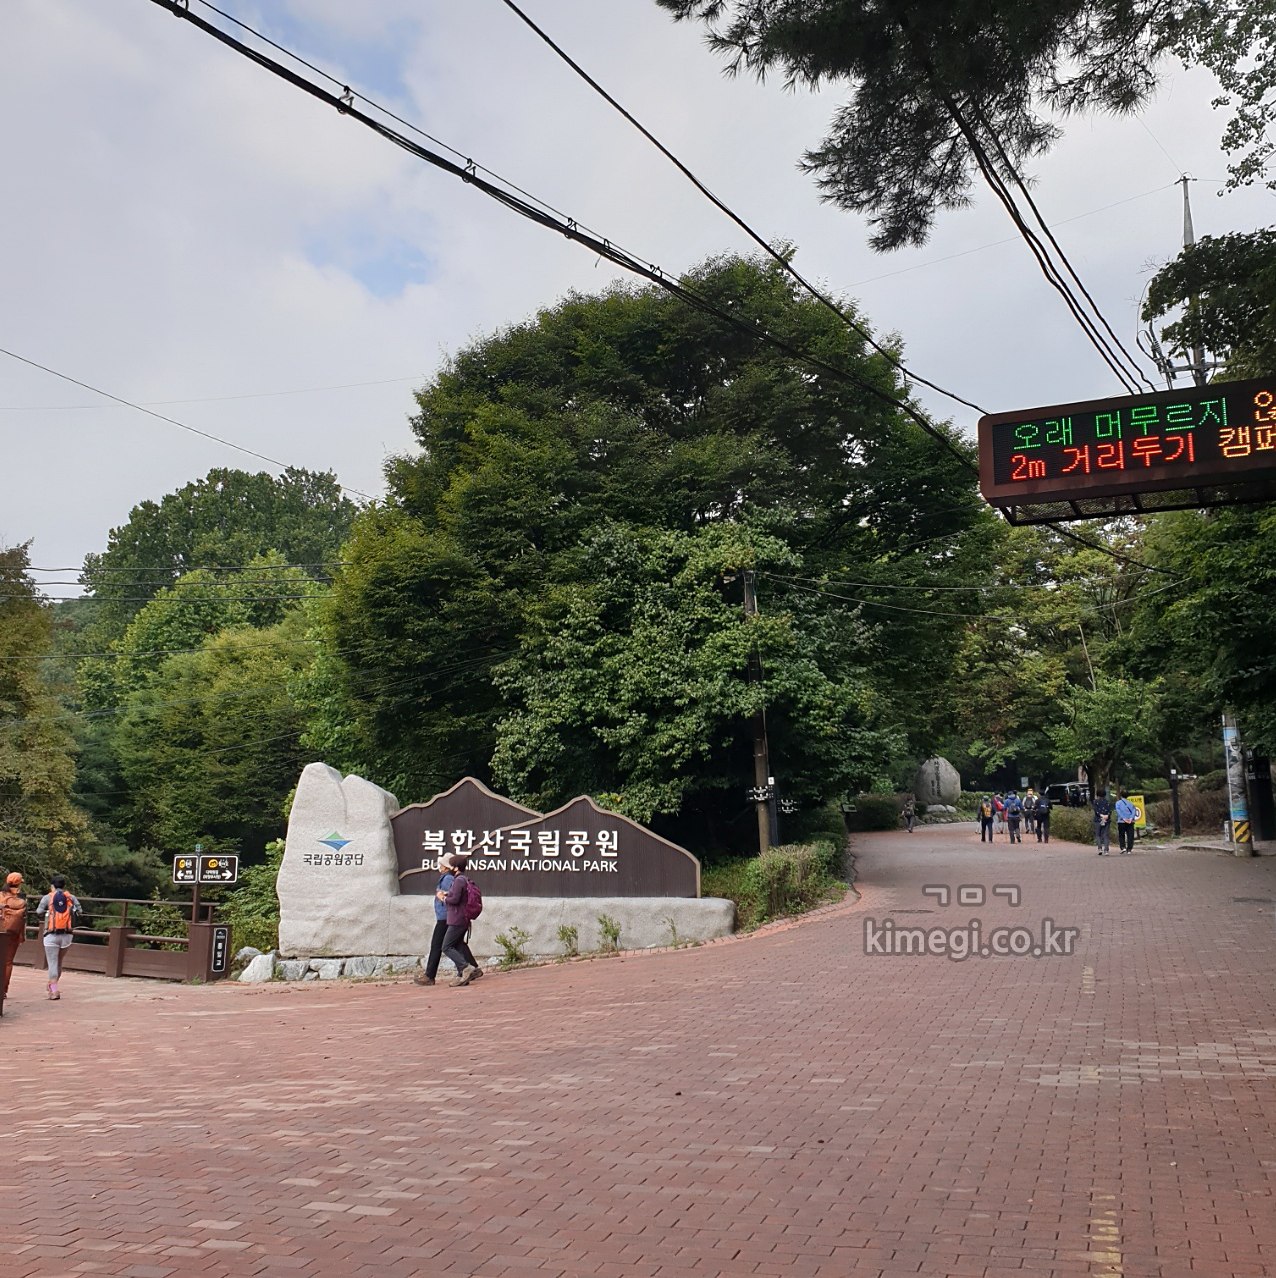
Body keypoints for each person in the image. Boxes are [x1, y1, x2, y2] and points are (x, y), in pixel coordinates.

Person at [438, 855, 483, 988]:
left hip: (457, 919)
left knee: (446, 947)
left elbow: (455, 900)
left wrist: (442, 897)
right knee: (457, 945)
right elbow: (458, 896)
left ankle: (465, 968)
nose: (449, 868)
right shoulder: (463, 879)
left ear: (456, 868)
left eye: (451, 866)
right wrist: (448, 894)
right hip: (461, 918)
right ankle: (463, 974)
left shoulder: (459, 881)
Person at [35, 875, 81, 1000]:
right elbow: (80, 911)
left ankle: (54, 990)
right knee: (59, 962)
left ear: (52, 886)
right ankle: (52, 985)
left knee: (52, 963)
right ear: (64, 886)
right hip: (67, 936)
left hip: (51, 934)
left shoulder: (47, 897)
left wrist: (48, 912)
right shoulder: (70, 897)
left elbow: (38, 911)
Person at [414, 856, 457, 987]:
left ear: (446, 867)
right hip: (447, 916)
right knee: (457, 944)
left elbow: (450, 896)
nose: (439, 866)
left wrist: (441, 896)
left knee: (436, 945)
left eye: (441, 864)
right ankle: (471, 968)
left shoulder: (447, 878)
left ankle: (429, 976)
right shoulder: (448, 877)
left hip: (444, 917)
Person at [1, 872, 28, 1002]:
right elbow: (22, 920)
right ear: (19, 884)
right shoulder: (21, 902)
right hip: (12, 934)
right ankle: (3, 990)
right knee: (8, 962)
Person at [1092, 790, 1113, 855]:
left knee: (1098, 834)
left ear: (1097, 794)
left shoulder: (1095, 801)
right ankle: (1106, 850)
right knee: (1106, 835)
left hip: (1098, 819)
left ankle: (1100, 848)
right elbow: (1110, 810)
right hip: (1106, 820)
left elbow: (1096, 811)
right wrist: (1107, 816)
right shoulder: (1107, 802)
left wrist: (1101, 815)